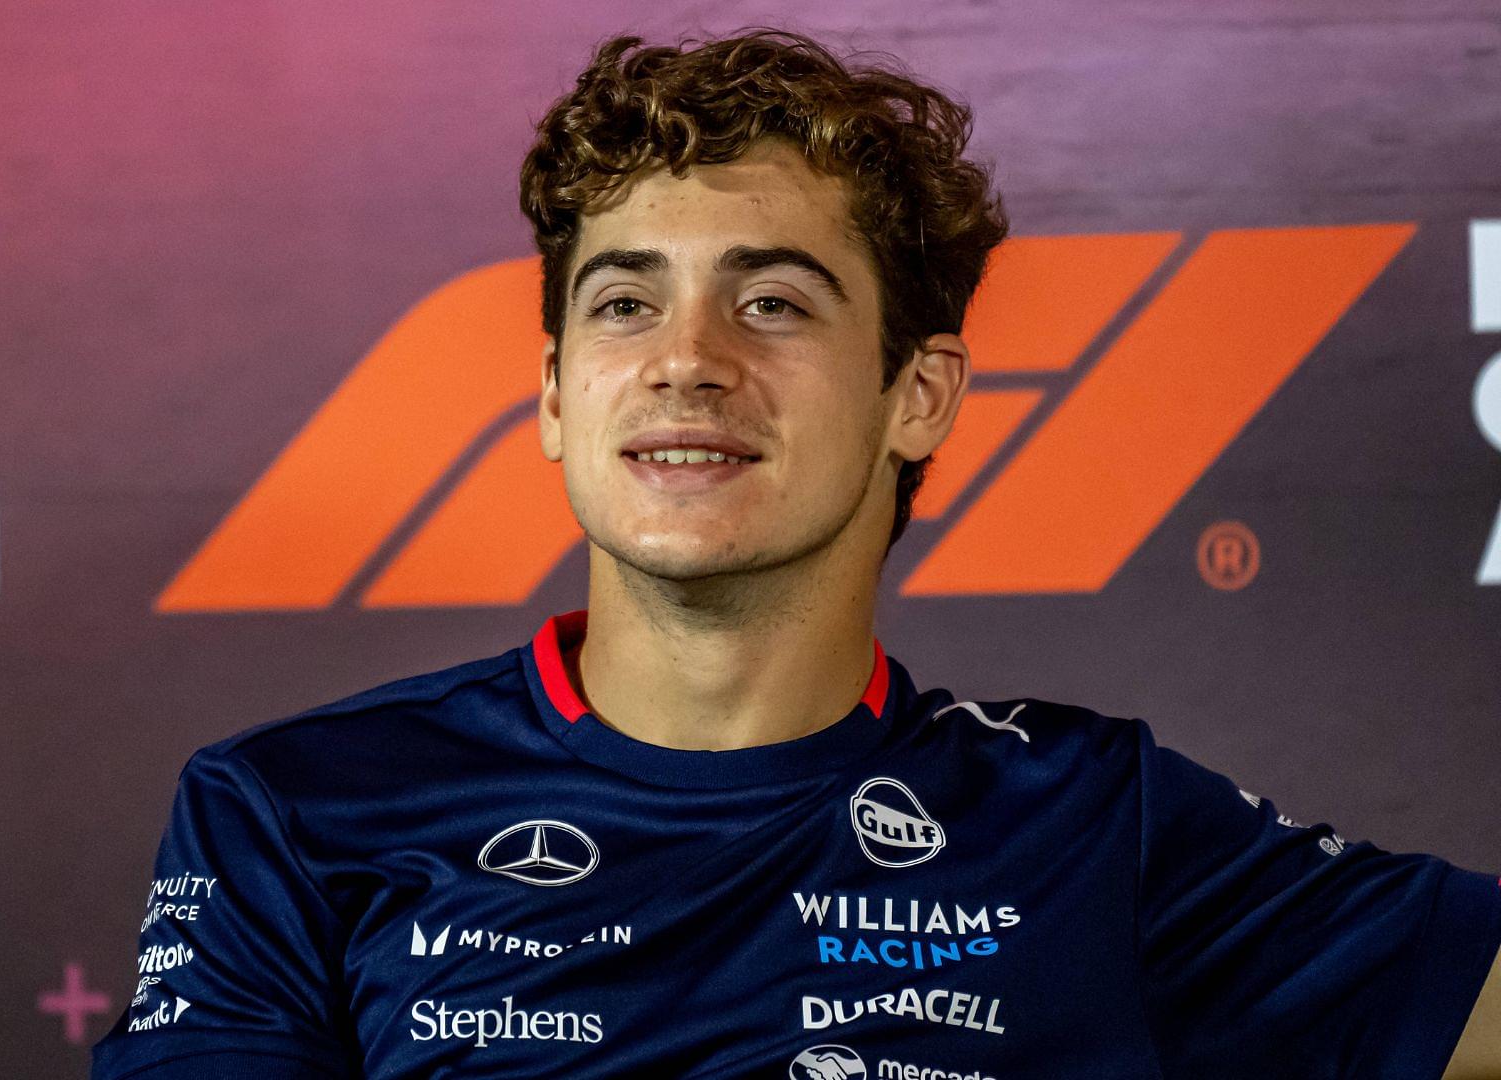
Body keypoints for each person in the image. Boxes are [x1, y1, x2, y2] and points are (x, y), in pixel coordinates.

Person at [91, 30, 1501, 1079]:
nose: (686, 364)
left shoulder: (1093, 818)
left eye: (771, 301)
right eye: (625, 305)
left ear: (920, 396)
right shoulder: (289, 811)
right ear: (553, 395)